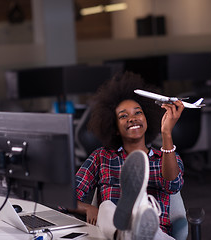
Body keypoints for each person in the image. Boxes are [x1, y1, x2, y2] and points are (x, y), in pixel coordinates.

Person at [73, 71, 185, 239]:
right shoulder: (101, 157)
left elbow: (173, 185)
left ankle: (139, 224)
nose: (132, 118)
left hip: (156, 235)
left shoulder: (164, 158)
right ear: (115, 128)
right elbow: (67, 196)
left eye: (138, 112)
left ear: (147, 118)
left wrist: (166, 133)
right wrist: (88, 208)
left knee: (148, 228)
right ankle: (126, 231)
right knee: (107, 208)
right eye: (123, 116)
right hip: (113, 233)